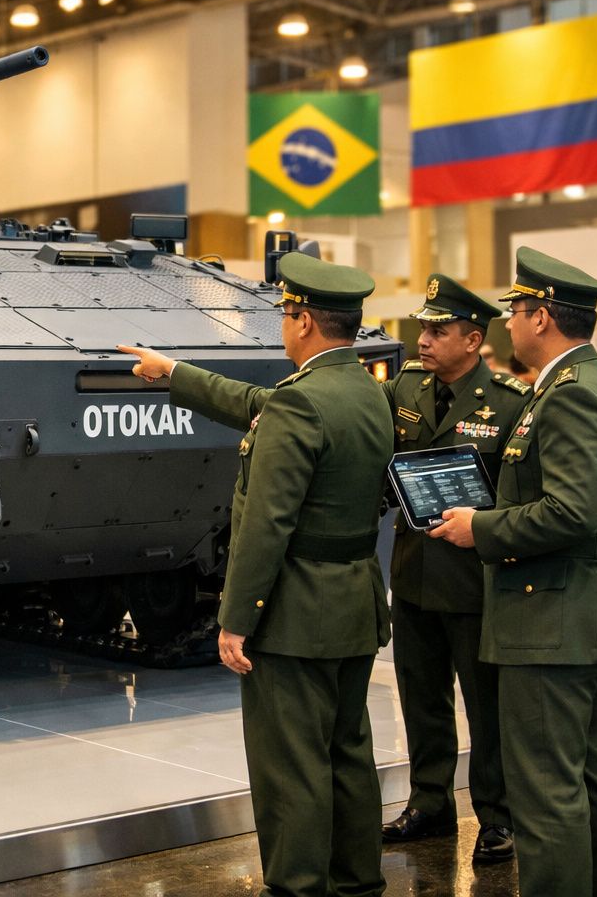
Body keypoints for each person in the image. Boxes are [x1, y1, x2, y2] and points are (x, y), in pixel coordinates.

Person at [118, 251, 393, 897]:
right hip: (354, 605)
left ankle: (296, 884)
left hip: (295, 618)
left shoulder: (301, 405)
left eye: (285, 313)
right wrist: (175, 373)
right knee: (348, 753)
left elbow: (266, 526)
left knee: (289, 765)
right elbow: (258, 404)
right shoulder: (365, 394)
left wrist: (236, 620)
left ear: (301, 321)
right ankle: (357, 882)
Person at [428, 246, 597, 897]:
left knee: (546, 789)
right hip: (567, 612)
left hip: (551, 615)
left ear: (541, 317)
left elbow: (571, 511)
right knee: (584, 772)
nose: (509, 324)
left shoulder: (571, 393)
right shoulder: (571, 383)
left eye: (515, 311)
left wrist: (480, 527)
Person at [378, 273, 531, 864]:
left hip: (474, 580)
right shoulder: (407, 390)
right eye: (423, 328)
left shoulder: (510, 402)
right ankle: (431, 803)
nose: (424, 340)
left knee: (485, 704)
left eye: (439, 331)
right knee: (422, 696)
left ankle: (497, 816)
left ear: (473, 340)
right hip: (415, 572)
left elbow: (517, 494)